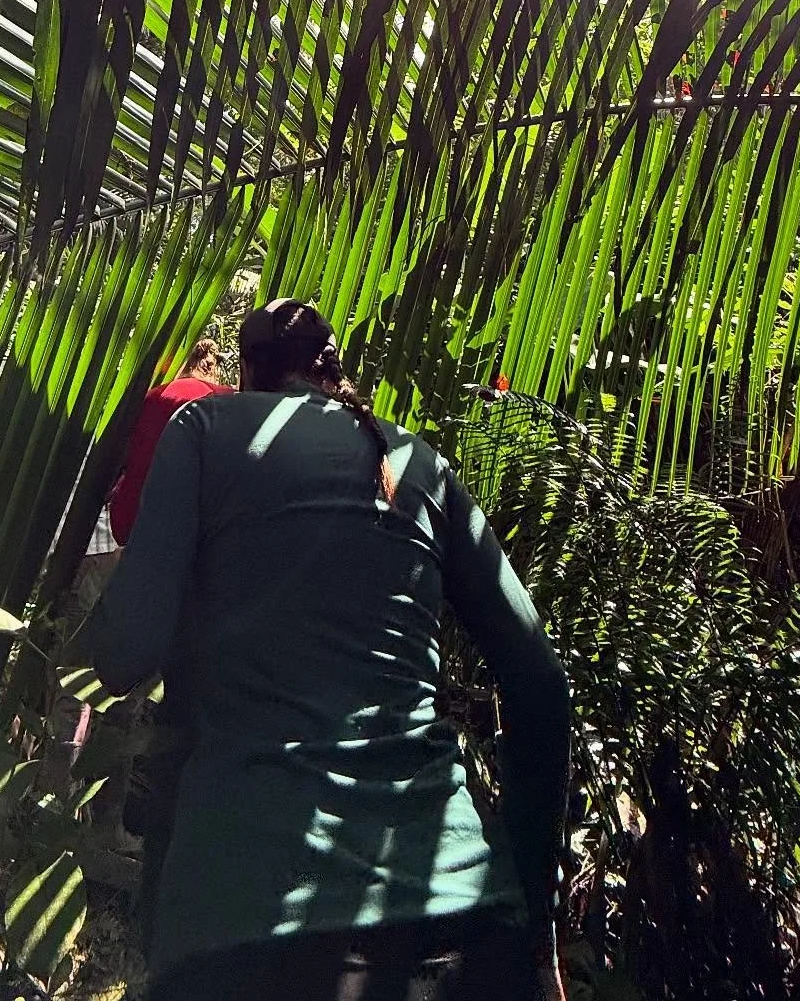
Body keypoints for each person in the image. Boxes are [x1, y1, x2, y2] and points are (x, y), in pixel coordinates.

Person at [77, 298, 572, 1001]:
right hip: (457, 915)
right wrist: (534, 927)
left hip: (246, 922)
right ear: (333, 369)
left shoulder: (205, 428)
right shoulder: (414, 461)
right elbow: (542, 687)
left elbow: (125, 650)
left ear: (247, 370)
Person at [110, 336, 230, 545]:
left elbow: (137, 468)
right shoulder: (230, 400)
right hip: (211, 538)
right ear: (209, 366)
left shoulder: (154, 397)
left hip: (144, 531)